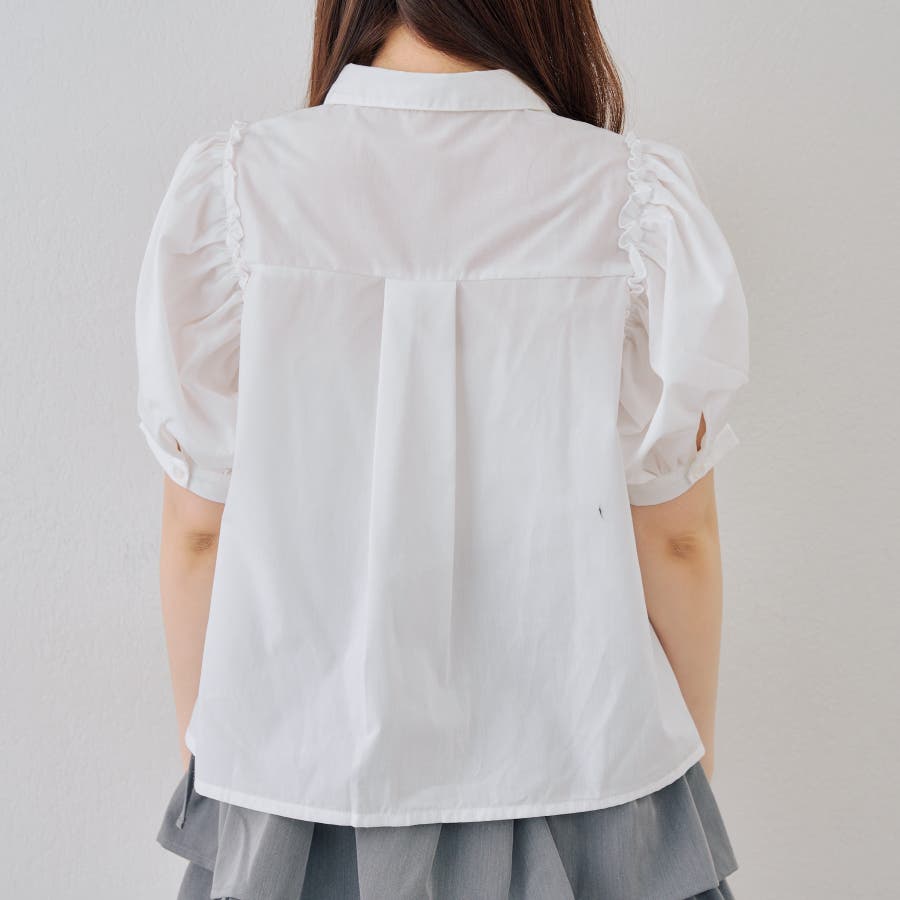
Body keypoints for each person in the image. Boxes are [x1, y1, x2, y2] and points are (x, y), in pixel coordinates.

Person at [135, 2, 749, 897]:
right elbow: (678, 539)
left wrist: (220, 756)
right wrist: (683, 767)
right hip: (590, 775)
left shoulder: (235, 192)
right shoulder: (632, 201)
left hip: (297, 790)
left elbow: (199, 533)